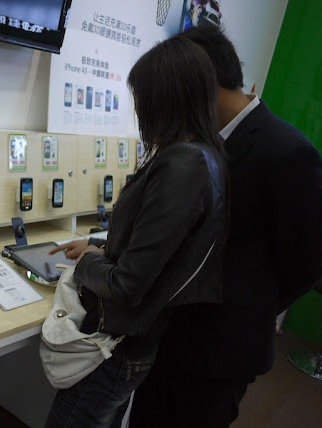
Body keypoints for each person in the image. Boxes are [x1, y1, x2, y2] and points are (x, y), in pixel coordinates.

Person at [129, 26, 322, 427]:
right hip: (168, 333)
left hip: (219, 351)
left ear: (200, 80)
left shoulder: (287, 152)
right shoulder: (197, 143)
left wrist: (248, 304)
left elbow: (305, 265)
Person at [44, 36, 229, 427]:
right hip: (135, 346)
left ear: (164, 99)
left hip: (115, 347)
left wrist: (89, 262)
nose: (138, 109)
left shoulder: (182, 165)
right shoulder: (207, 157)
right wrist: (95, 244)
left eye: (141, 97)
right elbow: (155, 247)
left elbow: (129, 283)